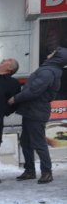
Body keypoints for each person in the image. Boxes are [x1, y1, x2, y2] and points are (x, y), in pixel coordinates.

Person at [7, 46, 67, 184]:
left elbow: (34, 90)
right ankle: (30, 170)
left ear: (57, 57)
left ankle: (46, 172)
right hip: (32, 110)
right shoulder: (49, 69)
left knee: (38, 142)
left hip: (36, 111)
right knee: (26, 142)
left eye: (53, 52)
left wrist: (15, 98)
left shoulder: (48, 72)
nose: (49, 53)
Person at [0, 58, 22, 184]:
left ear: (10, 68)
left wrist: (3, 111)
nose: (3, 60)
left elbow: (15, 103)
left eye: (7, 60)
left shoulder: (13, 83)